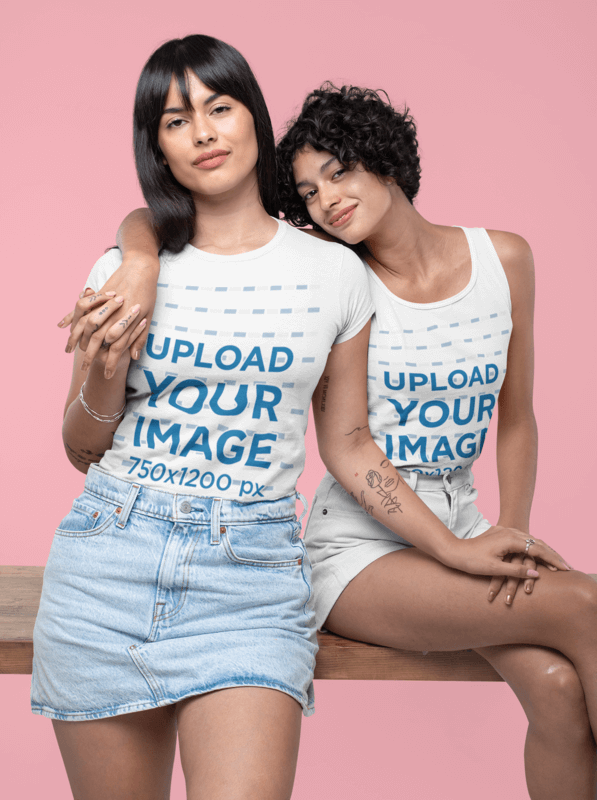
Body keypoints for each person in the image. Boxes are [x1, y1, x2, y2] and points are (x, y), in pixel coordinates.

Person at [56, 68, 588, 800]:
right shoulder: (330, 277)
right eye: (306, 192)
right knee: (583, 607)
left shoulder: (455, 265)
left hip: (426, 526)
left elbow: (499, 419)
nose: (326, 200)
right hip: (323, 544)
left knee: (559, 685)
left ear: (386, 161)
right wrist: (137, 256)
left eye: (338, 174)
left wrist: (508, 534)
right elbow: (88, 434)